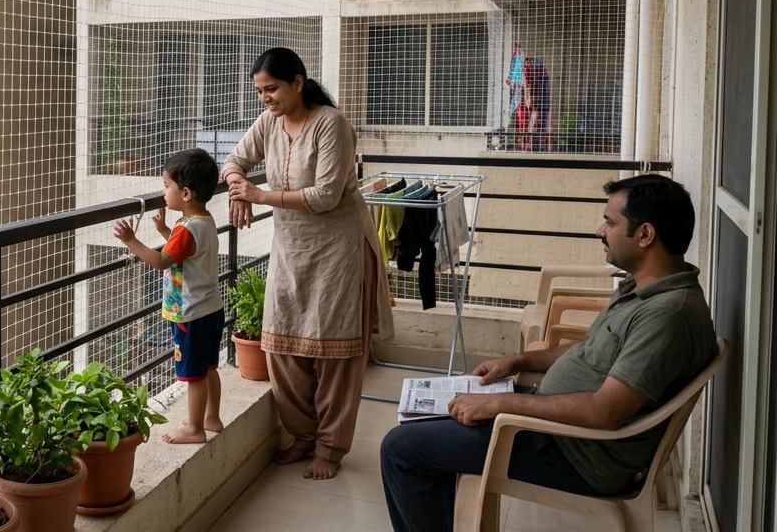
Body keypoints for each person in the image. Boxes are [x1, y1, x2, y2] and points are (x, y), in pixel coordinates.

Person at [380, 174, 717, 532]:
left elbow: (605, 412)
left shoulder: (668, 315)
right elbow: (589, 352)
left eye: (610, 222)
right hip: (557, 429)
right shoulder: (644, 288)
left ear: (645, 235)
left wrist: (500, 404)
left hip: (576, 453)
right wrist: (519, 361)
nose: (599, 230)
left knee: (402, 450)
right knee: (431, 418)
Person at [220, 47, 392, 480]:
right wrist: (238, 186)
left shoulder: (331, 125)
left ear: (298, 82)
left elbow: (326, 195)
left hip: (338, 250)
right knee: (279, 344)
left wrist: (260, 197)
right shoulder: (270, 123)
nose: (265, 99)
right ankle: (302, 434)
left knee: (334, 351)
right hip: (290, 249)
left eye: (272, 89)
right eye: (259, 91)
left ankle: (331, 449)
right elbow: (235, 160)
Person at [113, 148, 226, 445]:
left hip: (191, 314)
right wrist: (165, 230)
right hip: (211, 309)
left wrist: (131, 240)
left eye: (166, 186)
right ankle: (212, 417)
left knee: (193, 375)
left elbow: (162, 261)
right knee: (209, 367)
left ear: (186, 193)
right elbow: (186, 255)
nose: (163, 192)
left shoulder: (186, 230)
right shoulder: (203, 220)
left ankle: (194, 428)